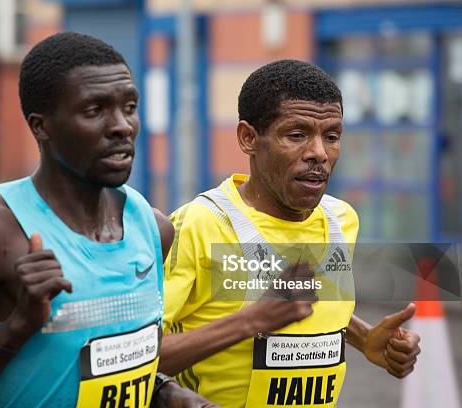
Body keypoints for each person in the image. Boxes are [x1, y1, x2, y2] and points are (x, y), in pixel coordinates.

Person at [0, 33, 216, 408]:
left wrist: (164, 391)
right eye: (95, 110)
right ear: (41, 126)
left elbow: (105, 359)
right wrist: (15, 330)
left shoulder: (153, 228)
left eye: (129, 106)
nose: (122, 126)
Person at [159, 60, 421, 408]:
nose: (319, 153)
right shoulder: (199, 224)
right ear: (248, 138)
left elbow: (304, 304)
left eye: (332, 136)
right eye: (296, 135)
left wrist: (365, 338)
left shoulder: (341, 219)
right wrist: (251, 321)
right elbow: (137, 359)